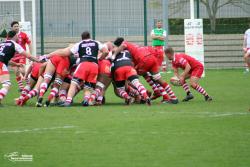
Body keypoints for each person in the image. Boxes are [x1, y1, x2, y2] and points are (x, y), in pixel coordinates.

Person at [47, 31, 109, 107]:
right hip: (94, 66)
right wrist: (100, 58)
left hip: (83, 64)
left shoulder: (79, 44)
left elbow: (66, 53)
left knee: (74, 83)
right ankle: (86, 100)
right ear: (90, 36)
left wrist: (50, 55)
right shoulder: (96, 42)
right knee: (88, 86)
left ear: (82, 38)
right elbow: (106, 51)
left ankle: (68, 101)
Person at [113, 37, 178, 104]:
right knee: (158, 79)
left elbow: (123, 46)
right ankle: (172, 97)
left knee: (131, 78)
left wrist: (114, 55)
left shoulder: (125, 44)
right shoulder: (133, 46)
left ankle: (142, 95)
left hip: (144, 60)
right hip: (151, 59)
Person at [0, 30, 38, 105]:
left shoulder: (2, 44)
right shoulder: (14, 44)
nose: (18, 37)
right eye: (17, 36)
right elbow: (28, 56)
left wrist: (16, 64)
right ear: (14, 36)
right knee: (6, 84)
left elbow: (4, 58)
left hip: (1, 62)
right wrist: (39, 60)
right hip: (1, 64)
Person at [10, 21, 32, 91]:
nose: (16, 28)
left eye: (17, 26)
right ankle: (21, 87)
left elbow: (29, 43)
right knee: (16, 71)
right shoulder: (10, 35)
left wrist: (29, 55)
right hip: (13, 56)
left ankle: (29, 85)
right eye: (15, 26)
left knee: (22, 70)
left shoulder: (23, 35)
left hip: (22, 55)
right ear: (12, 28)